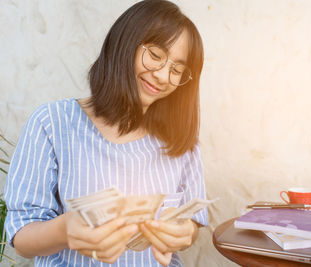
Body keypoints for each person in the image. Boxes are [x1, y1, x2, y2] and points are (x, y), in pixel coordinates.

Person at [4, 0, 207, 266]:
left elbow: (191, 224)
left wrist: (183, 233)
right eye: (156, 55)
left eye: (176, 70)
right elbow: (21, 240)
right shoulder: (52, 123)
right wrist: (66, 229)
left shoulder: (181, 140)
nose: (162, 76)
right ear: (125, 44)